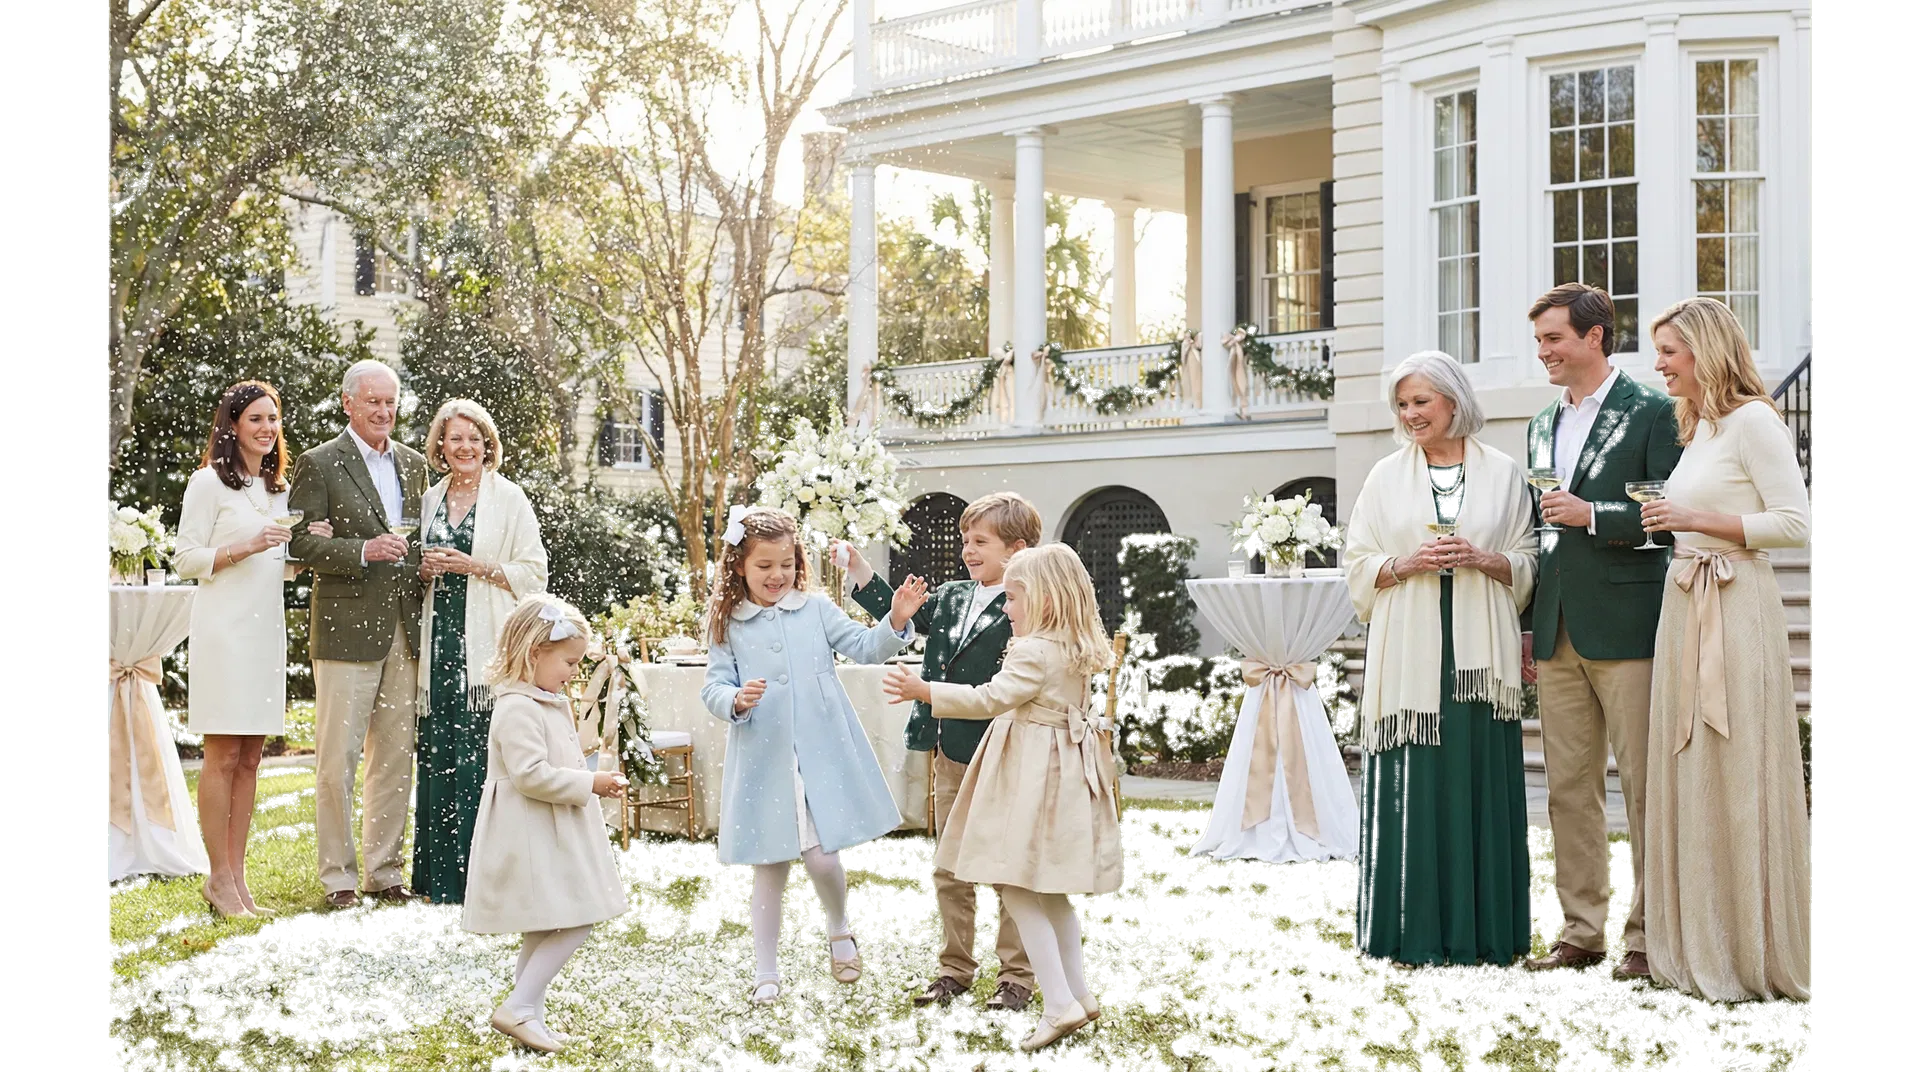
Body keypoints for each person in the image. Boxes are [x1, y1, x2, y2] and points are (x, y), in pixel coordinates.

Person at [1636, 297, 1813, 1003]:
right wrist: (1677, 525)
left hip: (1735, 603)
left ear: (1705, 351)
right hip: (1684, 601)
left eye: (1668, 352)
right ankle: (1697, 935)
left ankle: (1748, 948)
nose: (1658, 364)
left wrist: (1695, 518)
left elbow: (1794, 524)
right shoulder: (1699, 426)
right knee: (1693, 764)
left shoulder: (1755, 422)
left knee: (1736, 760)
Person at [883, 543, 1121, 1052]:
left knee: (1012, 882)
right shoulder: (1072, 647)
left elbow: (989, 698)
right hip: (1056, 777)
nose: (1006, 607)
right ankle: (1078, 994)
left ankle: (1058, 1003)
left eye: (1013, 598)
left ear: (1045, 599)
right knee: (1048, 892)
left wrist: (926, 691)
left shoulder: (1034, 650)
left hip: (1028, 779)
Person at [1343, 351, 1538, 967]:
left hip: (1480, 659)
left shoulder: (1504, 473)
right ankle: (1408, 930)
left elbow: (1530, 558)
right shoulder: (1383, 477)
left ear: (1454, 402)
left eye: (1420, 401)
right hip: (1409, 651)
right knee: (1416, 780)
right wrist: (1404, 565)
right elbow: (1357, 562)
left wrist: (1484, 559)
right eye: (1402, 404)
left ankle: (1484, 932)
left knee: (1475, 779)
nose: (1410, 414)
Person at [699, 506, 929, 1005]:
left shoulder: (816, 609)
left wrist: (896, 619)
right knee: (770, 866)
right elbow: (713, 685)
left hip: (819, 752)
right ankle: (766, 972)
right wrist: (735, 699)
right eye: (764, 566)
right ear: (739, 566)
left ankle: (839, 927)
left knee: (823, 861)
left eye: (786, 564)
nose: (777, 575)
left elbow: (865, 648)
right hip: (765, 757)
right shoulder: (727, 623)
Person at [1524, 283, 1683, 975]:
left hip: (1630, 626)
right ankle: (1582, 932)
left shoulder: (1653, 411)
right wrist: (1530, 625)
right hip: (1557, 628)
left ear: (1594, 336)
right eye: (1539, 341)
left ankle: (1649, 937)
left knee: (1646, 789)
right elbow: (1538, 530)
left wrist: (1593, 515)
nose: (1543, 352)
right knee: (1567, 788)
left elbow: (1674, 516)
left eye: (1553, 338)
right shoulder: (1540, 423)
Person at [836, 490, 1043, 1013]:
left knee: (1007, 868)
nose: (968, 550)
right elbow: (901, 611)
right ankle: (954, 969)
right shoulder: (953, 595)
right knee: (950, 868)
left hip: (1002, 751)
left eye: (981, 542)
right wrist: (860, 569)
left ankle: (1016, 978)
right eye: (965, 540)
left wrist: (931, 691)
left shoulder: (1032, 606)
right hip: (950, 750)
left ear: (1017, 549)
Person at [173, 381, 334, 918]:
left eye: (273, 419)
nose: (267, 429)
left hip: (265, 633)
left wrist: (305, 552)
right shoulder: (207, 483)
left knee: (250, 759)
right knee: (221, 756)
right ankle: (217, 877)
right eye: (256, 419)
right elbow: (186, 559)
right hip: (224, 633)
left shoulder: (276, 490)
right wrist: (247, 544)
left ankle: (237, 880)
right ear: (233, 425)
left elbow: (276, 568)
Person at [286, 359, 429, 908]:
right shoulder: (320, 462)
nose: (384, 411)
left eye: (390, 402)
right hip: (345, 630)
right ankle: (338, 878)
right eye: (373, 401)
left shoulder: (415, 465)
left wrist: (425, 562)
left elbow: (417, 541)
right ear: (348, 403)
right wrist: (363, 550)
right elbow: (299, 542)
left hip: (404, 630)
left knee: (394, 757)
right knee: (338, 761)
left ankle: (384, 872)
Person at [462, 595, 631, 1052]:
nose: (574, 672)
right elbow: (530, 776)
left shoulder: (543, 700)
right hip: (531, 835)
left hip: (548, 831)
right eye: (569, 662)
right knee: (578, 918)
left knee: (543, 926)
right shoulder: (517, 707)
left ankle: (528, 1017)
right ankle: (518, 1007)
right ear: (535, 653)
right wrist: (590, 783)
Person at [411, 399, 550, 905]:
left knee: (480, 760)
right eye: (455, 438)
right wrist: (424, 570)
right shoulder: (428, 500)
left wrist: (476, 566)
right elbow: (413, 569)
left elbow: (535, 573)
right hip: (439, 645)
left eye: (474, 438)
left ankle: (487, 877)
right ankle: (440, 881)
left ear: (488, 445)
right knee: (439, 756)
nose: (465, 447)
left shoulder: (508, 498)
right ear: (440, 446)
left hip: (485, 651)